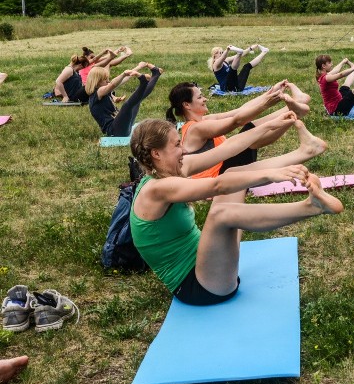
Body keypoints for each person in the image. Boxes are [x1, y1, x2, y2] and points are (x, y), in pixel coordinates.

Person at [129, 117, 342, 305]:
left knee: (233, 171)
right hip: (200, 287)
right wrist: (270, 174)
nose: (183, 150)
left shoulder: (167, 172)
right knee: (220, 214)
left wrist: (267, 126)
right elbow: (217, 186)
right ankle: (311, 207)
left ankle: (305, 151)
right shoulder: (156, 189)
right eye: (176, 145)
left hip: (213, 262)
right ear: (156, 153)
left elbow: (226, 149)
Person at [165, 80, 311, 178]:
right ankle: (293, 111)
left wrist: (270, 93)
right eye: (200, 97)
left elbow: (239, 111)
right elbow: (237, 121)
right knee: (248, 134)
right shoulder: (195, 129)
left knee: (248, 135)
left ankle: (293, 110)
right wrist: (266, 104)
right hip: (218, 177)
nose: (205, 99)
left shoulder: (206, 120)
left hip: (226, 169)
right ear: (187, 105)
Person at [85, 62, 163, 137]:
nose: (108, 81)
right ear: (97, 81)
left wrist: (137, 68)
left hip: (123, 126)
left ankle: (156, 74)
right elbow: (113, 84)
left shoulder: (102, 90)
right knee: (127, 105)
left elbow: (124, 79)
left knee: (136, 101)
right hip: (115, 131)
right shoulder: (97, 93)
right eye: (105, 79)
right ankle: (144, 81)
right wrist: (123, 73)